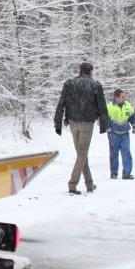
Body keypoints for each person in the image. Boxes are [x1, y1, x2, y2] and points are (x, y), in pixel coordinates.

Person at [54, 62, 109, 195]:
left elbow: (61, 103)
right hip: (87, 123)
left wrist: (58, 122)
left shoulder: (69, 84)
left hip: (73, 122)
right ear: (90, 71)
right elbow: (102, 106)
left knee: (81, 154)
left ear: (80, 71)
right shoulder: (96, 85)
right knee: (82, 154)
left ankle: (89, 184)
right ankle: (72, 184)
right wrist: (104, 124)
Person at [106, 89, 135, 179]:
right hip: (113, 134)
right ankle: (114, 173)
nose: (124, 98)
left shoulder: (128, 106)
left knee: (126, 153)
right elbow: (104, 119)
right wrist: (108, 128)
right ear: (116, 97)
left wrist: (134, 126)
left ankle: (126, 173)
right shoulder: (109, 107)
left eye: (124, 96)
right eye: (122, 97)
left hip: (125, 134)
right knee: (114, 154)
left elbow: (132, 117)